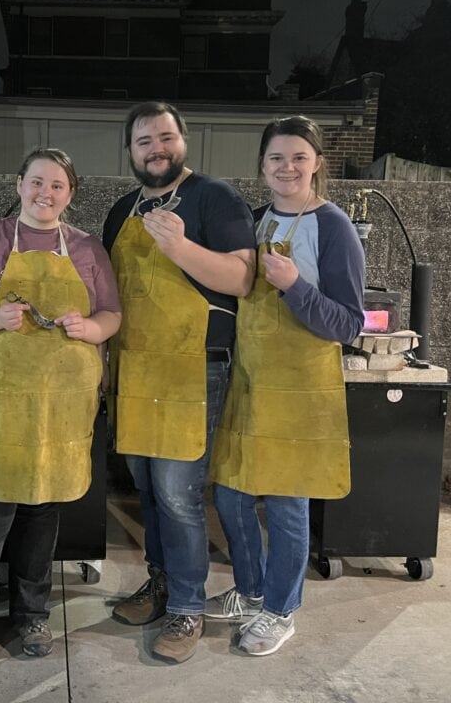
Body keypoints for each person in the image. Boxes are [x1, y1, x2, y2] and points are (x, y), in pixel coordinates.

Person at [0, 148, 122, 675]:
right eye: (37, 182)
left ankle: (32, 616)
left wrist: (92, 329)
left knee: (42, 515)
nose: (46, 193)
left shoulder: (87, 249)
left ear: (70, 194)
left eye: (58, 185)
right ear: (18, 185)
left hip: (59, 408)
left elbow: (111, 314)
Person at [102, 102, 256, 664]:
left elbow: (242, 278)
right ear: (131, 150)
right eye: (144, 141)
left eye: (165, 137)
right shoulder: (121, 210)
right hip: (135, 368)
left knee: (179, 495)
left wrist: (180, 247)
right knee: (145, 490)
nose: (155, 148)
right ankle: (162, 583)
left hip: (194, 366)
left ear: (183, 141)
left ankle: (188, 608)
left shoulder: (214, 198)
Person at [207, 115, 365, 656]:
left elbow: (348, 323)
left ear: (317, 163)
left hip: (302, 388)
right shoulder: (251, 222)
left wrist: (296, 285)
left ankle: (281, 610)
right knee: (229, 494)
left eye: (299, 157)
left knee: (286, 503)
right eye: (276, 158)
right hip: (250, 383)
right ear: (262, 166)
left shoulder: (334, 226)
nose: (287, 167)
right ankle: (251, 592)